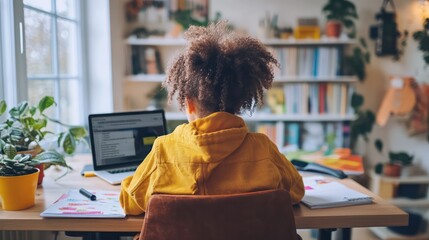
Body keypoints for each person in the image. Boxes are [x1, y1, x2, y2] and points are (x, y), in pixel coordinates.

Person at [120, 21, 304, 215]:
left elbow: (128, 201)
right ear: (240, 101)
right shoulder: (264, 149)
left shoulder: (164, 151)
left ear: (188, 103)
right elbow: (297, 191)